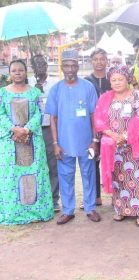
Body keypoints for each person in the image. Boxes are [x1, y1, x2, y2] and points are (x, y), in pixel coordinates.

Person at [94, 65, 139, 226]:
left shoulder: (137, 96)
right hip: (115, 148)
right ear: (109, 81)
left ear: (127, 80)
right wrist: (113, 135)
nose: (117, 83)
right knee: (120, 178)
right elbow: (99, 120)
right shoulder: (106, 98)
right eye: (114, 80)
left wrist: (125, 137)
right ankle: (122, 209)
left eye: (120, 79)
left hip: (137, 147)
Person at [45, 49, 100, 225]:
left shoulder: (88, 87)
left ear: (78, 67)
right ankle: (68, 210)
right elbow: (52, 117)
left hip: (87, 143)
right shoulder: (56, 89)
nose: (70, 69)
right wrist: (55, 143)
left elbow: (94, 116)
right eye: (66, 65)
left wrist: (94, 141)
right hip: (64, 143)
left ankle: (90, 208)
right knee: (65, 175)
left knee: (89, 173)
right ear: (62, 68)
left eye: (73, 65)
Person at [0, 59, 54, 225]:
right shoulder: (2, 92)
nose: (17, 73)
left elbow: (39, 113)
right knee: (12, 177)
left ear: (26, 72)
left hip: (32, 141)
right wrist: (14, 129)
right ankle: (14, 213)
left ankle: (36, 211)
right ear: (10, 74)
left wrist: (27, 130)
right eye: (14, 70)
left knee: (34, 174)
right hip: (10, 143)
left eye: (21, 70)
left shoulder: (34, 92)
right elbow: (1, 114)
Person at [28, 54, 60, 212]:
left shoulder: (55, 84)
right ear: (32, 68)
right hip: (31, 131)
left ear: (47, 66)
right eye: (36, 66)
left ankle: (54, 199)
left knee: (53, 165)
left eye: (42, 65)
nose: (39, 68)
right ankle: (37, 199)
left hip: (49, 129)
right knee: (35, 165)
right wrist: (35, 92)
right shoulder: (28, 84)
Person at [84, 48, 111, 209]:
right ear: (91, 61)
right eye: (96, 59)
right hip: (90, 129)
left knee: (113, 161)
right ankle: (94, 196)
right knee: (91, 161)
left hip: (110, 128)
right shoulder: (86, 81)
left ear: (106, 61)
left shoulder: (113, 80)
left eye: (102, 59)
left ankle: (117, 195)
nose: (99, 62)